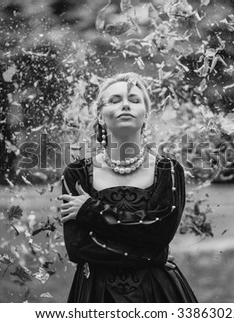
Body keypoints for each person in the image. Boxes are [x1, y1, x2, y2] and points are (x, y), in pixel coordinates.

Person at [58, 72, 197, 302]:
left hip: (157, 292)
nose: (125, 105)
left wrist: (91, 210)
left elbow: (161, 232)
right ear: (101, 117)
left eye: (134, 100)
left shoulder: (169, 170)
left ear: (145, 115)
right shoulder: (77, 174)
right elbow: (79, 248)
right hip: (96, 293)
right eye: (114, 100)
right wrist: (154, 254)